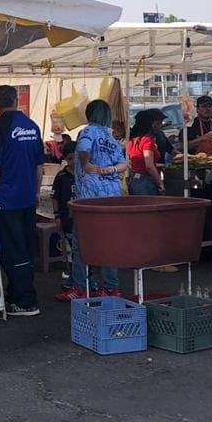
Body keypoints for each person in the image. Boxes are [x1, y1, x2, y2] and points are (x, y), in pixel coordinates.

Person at [0, 85, 46, 315]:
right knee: (26, 248)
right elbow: (40, 166)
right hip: (27, 198)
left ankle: (25, 301)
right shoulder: (32, 126)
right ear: (17, 100)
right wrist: (36, 192)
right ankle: (19, 294)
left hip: (6, 200)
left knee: (13, 250)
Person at [73, 100, 126, 298]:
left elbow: (83, 148)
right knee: (109, 241)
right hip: (112, 195)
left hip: (90, 195)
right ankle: (111, 287)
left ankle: (80, 287)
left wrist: (86, 165)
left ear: (89, 115)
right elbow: (123, 164)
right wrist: (110, 170)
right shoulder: (111, 137)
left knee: (81, 241)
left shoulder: (88, 131)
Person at [52, 139, 90, 302]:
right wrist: (56, 216)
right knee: (75, 253)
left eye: (75, 157)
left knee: (82, 253)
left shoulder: (87, 174)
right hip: (67, 218)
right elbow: (54, 197)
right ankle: (76, 282)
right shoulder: (61, 177)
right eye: (69, 158)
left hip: (85, 219)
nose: (73, 161)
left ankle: (82, 282)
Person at [127, 109, 165, 196]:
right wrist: (160, 182)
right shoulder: (147, 141)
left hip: (134, 178)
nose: (160, 126)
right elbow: (149, 166)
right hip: (145, 181)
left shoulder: (133, 140)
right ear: (150, 125)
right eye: (158, 123)